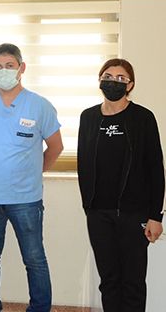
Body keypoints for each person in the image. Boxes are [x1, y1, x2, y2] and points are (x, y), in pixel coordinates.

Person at [0, 43, 63, 312]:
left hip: (26, 199)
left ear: (22, 68)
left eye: (9, 65)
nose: (4, 71)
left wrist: (32, 171)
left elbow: (56, 147)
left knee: (34, 259)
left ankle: (39, 308)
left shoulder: (39, 105)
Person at [77, 58, 164, 312]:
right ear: (99, 80)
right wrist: (88, 207)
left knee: (133, 282)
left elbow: (155, 168)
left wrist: (155, 216)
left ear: (130, 85)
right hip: (99, 214)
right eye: (108, 76)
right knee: (109, 280)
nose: (113, 81)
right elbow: (83, 163)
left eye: (120, 78)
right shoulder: (88, 117)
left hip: (134, 214)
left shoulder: (142, 118)